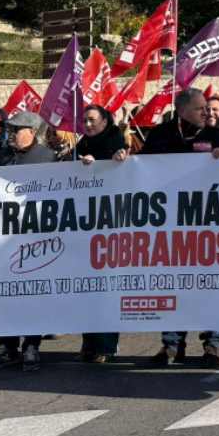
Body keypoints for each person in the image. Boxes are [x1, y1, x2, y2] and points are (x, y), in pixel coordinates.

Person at [141, 88, 219, 367]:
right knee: (172, 283)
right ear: (182, 111)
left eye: (207, 108)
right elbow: (140, 167)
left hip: (207, 222)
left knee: (209, 285)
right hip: (170, 222)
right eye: (200, 108)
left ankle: (212, 345)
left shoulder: (215, 135)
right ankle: (171, 345)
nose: (207, 112)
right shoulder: (160, 134)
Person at [0, 111, 57, 371]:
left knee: (33, 295)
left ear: (32, 132)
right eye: (10, 130)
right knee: (6, 294)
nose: (11, 134)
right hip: (5, 238)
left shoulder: (47, 158)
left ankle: (31, 345)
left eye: (16, 130)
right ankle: (7, 345)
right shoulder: (2, 157)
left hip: (35, 238)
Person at [73, 104, 130, 364]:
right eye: (84, 120)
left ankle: (106, 346)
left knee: (106, 289)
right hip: (87, 226)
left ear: (105, 121)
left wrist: (113, 160)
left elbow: (124, 165)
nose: (87, 125)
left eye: (92, 120)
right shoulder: (83, 144)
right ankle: (89, 343)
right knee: (87, 289)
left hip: (111, 226)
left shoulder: (116, 141)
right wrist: (79, 164)